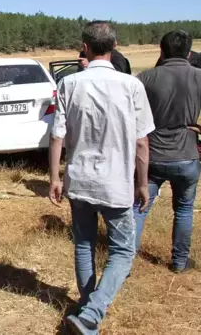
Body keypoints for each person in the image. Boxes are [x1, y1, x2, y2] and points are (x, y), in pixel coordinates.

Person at [49, 21, 153, 334]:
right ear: (114, 45)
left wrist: (55, 176)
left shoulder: (69, 84)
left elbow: (57, 135)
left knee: (84, 244)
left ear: (85, 46)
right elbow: (141, 142)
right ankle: (92, 312)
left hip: (79, 178)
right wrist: (142, 182)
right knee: (122, 251)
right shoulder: (131, 85)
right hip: (116, 182)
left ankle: (84, 309)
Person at [134, 30, 201, 273]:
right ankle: (180, 262)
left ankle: (125, 259)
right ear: (190, 52)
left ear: (161, 51)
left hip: (152, 155)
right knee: (184, 209)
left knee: (139, 207)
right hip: (187, 155)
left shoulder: (145, 78)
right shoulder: (198, 76)